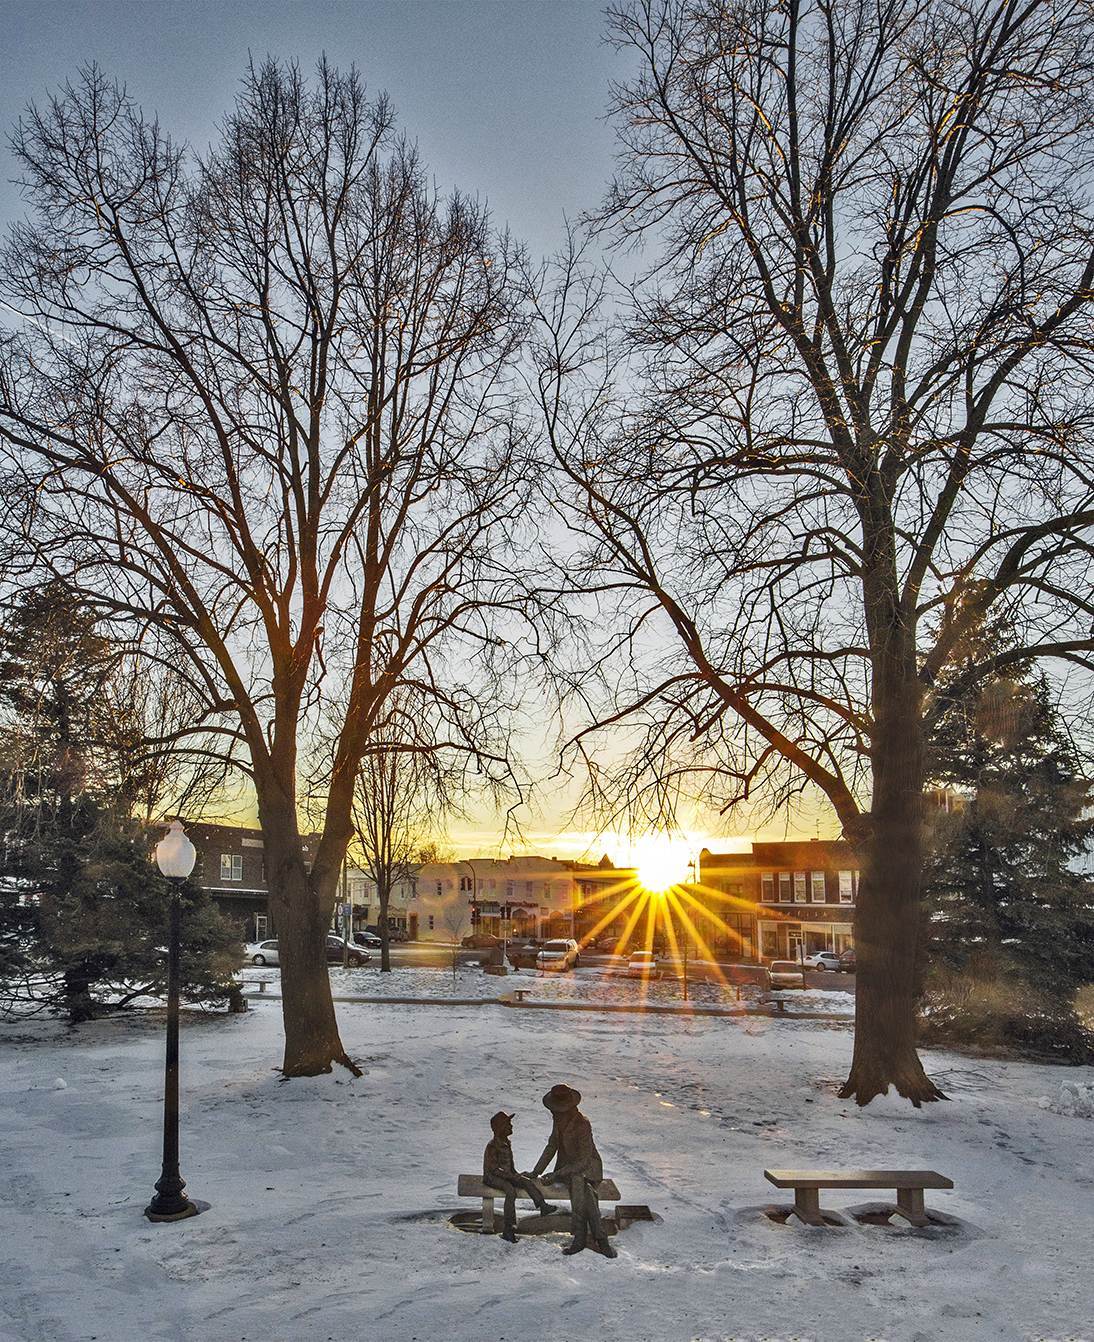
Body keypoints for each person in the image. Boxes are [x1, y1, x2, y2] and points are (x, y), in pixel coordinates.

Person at [528, 1083, 617, 1258]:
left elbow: (583, 1161)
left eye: (556, 1109)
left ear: (568, 1108)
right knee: (587, 1193)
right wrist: (535, 1172)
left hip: (589, 1169)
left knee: (579, 1182)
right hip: (569, 1169)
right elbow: (552, 1146)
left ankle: (580, 1237)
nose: (553, 1113)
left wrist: (556, 1174)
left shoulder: (582, 1124)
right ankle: (600, 1238)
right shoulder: (559, 1120)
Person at [483, 1111, 556, 1243]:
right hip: (492, 1177)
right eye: (508, 1124)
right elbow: (494, 1169)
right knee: (510, 1191)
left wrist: (515, 1175)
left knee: (526, 1181)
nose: (511, 1126)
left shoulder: (506, 1143)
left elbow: (508, 1166)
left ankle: (542, 1206)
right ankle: (508, 1229)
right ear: (501, 1128)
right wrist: (511, 1177)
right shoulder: (492, 1145)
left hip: (505, 1176)